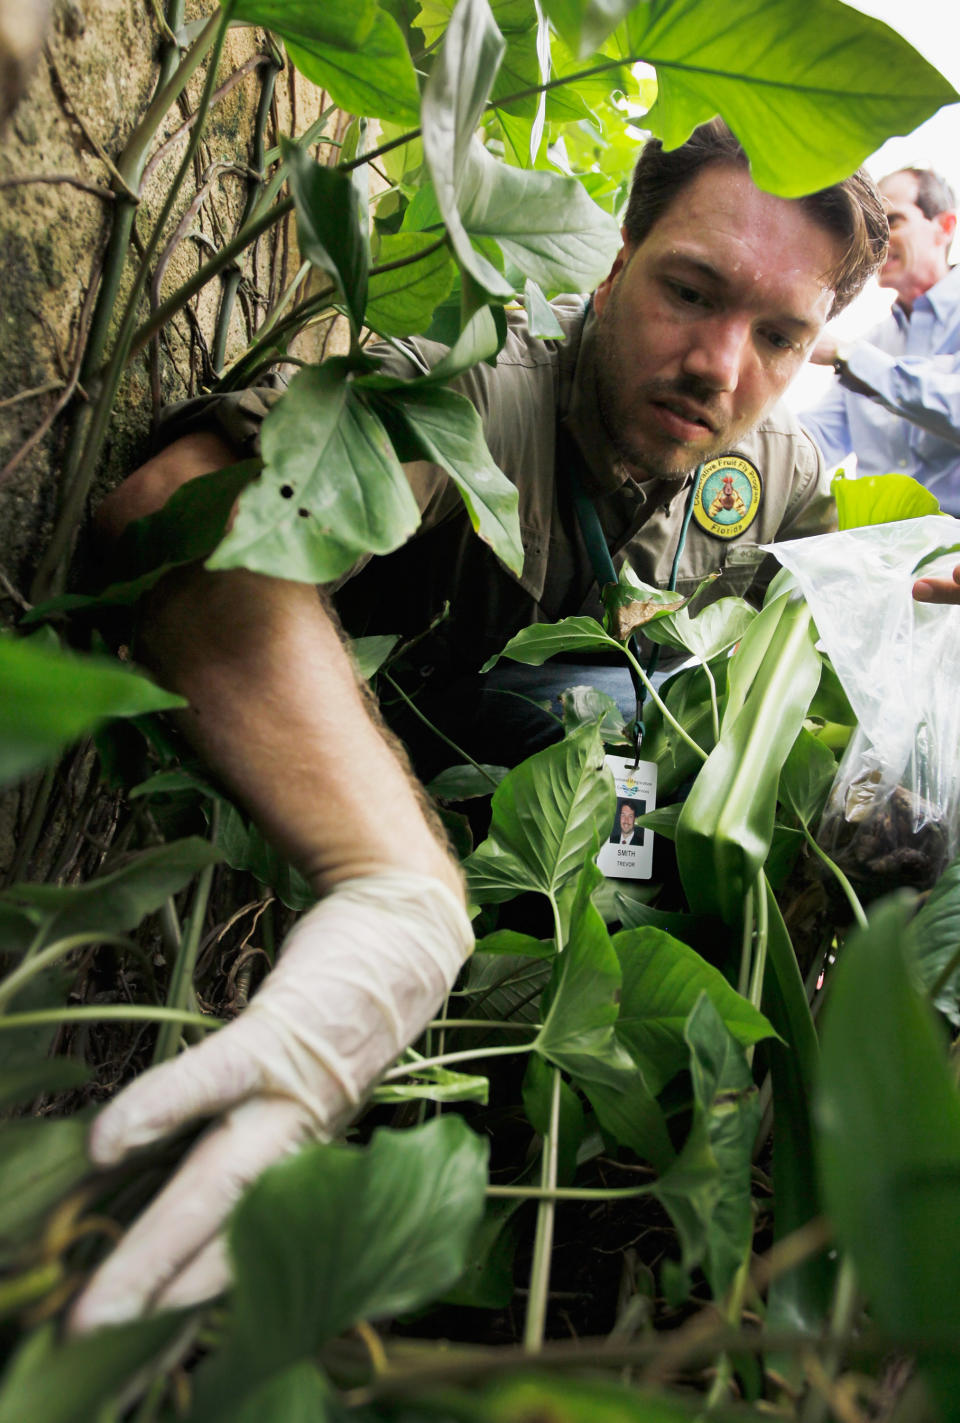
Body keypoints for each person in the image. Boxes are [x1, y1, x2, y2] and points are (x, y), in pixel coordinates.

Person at [71, 120, 893, 1332]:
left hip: (596, 988)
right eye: (689, 291)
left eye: (777, 336)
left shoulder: (776, 475)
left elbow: (845, 609)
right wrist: (391, 884)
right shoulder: (477, 401)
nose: (721, 364)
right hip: (404, 895)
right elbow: (178, 510)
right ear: (615, 265)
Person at [801, 167, 960, 515]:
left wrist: (847, 356)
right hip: (878, 554)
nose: (878, 243)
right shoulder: (873, 343)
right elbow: (816, 438)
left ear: (945, 227)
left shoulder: (855, 356)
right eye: (873, 230)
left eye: (895, 221)